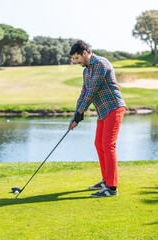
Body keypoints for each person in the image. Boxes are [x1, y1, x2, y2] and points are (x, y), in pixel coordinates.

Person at [68, 40, 126, 198]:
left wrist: (80, 114)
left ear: (85, 53)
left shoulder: (100, 63)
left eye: (77, 58)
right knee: (99, 143)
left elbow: (92, 91)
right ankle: (106, 179)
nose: (77, 61)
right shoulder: (86, 71)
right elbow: (84, 92)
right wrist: (75, 115)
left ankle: (112, 187)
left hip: (114, 107)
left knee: (108, 145)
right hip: (103, 110)